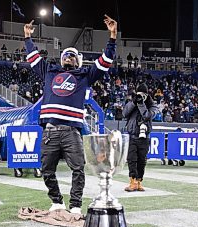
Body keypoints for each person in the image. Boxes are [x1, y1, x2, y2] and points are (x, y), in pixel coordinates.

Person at [23, 15, 117, 214]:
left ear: (79, 62)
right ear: (61, 58)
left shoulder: (85, 76)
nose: (68, 57)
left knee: (78, 169)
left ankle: (75, 205)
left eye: (73, 56)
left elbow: (106, 61)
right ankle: (57, 202)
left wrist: (112, 36)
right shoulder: (49, 71)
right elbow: (32, 58)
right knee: (47, 170)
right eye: (66, 55)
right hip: (50, 131)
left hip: (71, 131)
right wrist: (28, 38)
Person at [123, 83, 159, 192]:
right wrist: (134, 102)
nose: (140, 97)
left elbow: (147, 116)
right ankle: (132, 181)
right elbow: (124, 113)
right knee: (131, 159)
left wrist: (141, 104)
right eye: (139, 95)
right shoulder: (132, 102)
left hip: (144, 137)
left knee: (142, 160)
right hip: (132, 135)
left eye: (142, 95)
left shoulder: (153, 106)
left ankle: (139, 182)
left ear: (147, 95)